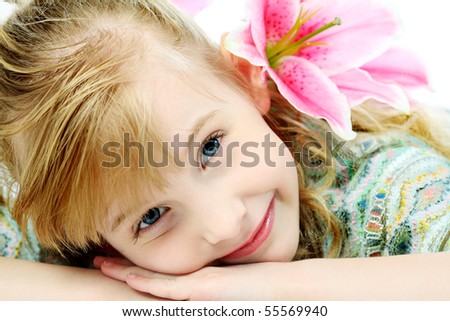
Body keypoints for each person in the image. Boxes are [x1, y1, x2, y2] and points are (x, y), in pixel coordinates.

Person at [0, 0, 449, 301]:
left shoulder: (388, 183)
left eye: (211, 148)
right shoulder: (67, 225)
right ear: (93, 239)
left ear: (244, 78)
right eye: (151, 217)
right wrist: (124, 292)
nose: (225, 223)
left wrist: (276, 290)